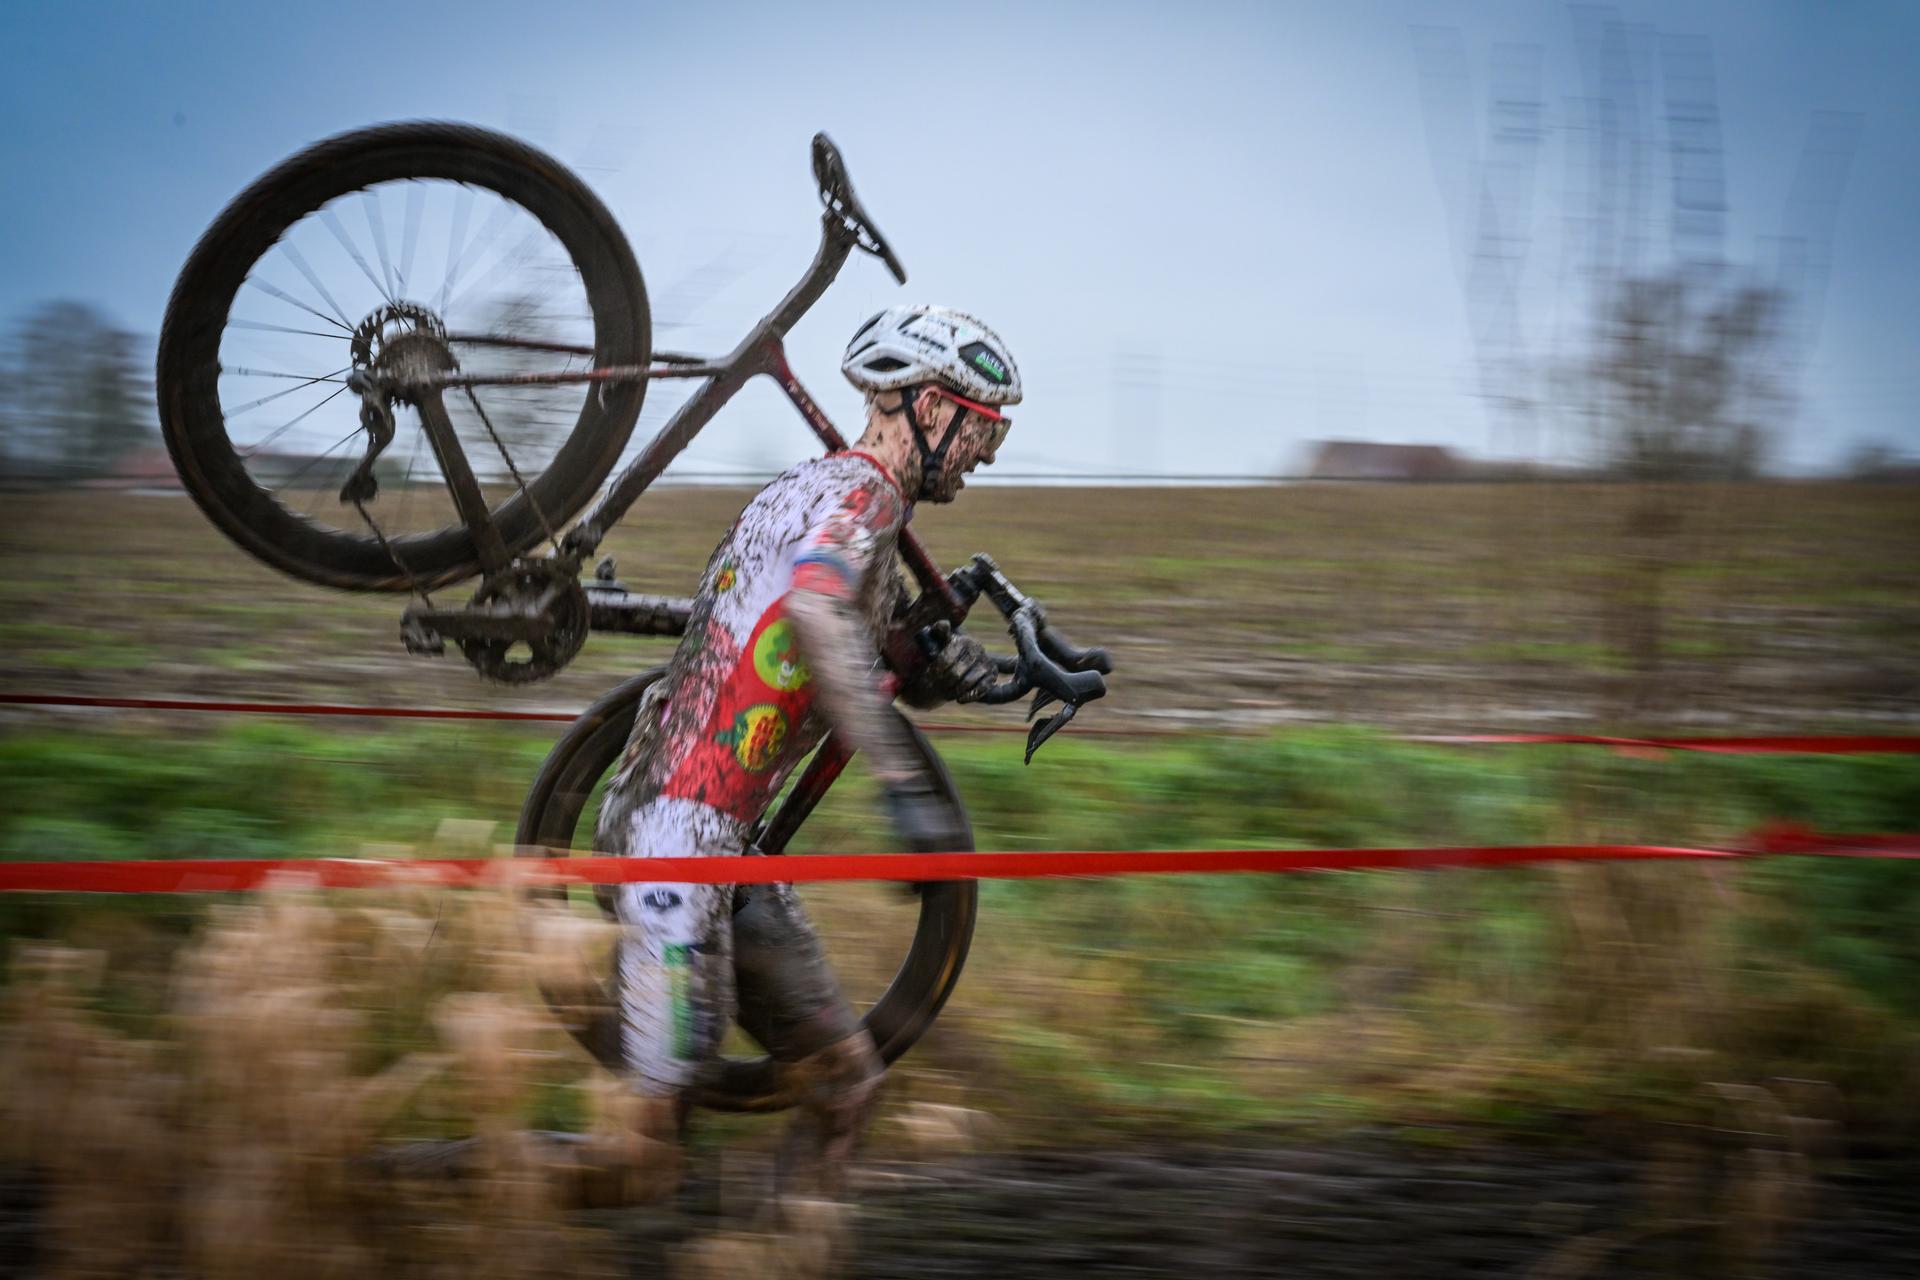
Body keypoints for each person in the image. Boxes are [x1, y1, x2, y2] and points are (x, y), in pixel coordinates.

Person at [593, 304, 1021, 1198]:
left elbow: (838, 647)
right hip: (672, 850)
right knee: (642, 1159)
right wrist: (901, 783)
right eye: (985, 430)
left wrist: (981, 678)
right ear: (934, 409)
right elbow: (816, 613)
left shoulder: (832, 493)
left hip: (723, 855)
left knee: (845, 1088)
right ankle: (378, 1205)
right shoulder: (858, 495)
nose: (989, 455)